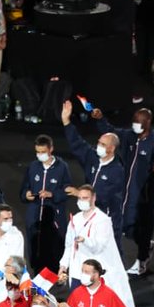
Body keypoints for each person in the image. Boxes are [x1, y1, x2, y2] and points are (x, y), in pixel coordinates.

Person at [90, 104, 154, 277]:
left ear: (147, 123)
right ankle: (146, 245)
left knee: (141, 228)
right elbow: (111, 133)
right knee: (125, 227)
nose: (135, 124)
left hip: (143, 197)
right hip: (124, 193)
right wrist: (100, 119)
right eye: (134, 121)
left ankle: (142, 261)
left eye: (139, 122)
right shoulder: (129, 136)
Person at [58, 186, 137, 307]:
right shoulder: (75, 219)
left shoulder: (102, 220)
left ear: (93, 198)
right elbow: (69, 245)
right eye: (79, 198)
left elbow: (98, 247)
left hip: (94, 273)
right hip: (77, 271)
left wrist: (85, 240)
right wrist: (63, 265)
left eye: (85, 198)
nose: (82, 201)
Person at [60, 100, 125, 247]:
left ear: (112, 149)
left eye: (103, 144)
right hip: (88, 215)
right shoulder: (93, 157)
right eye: (99, 142)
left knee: (108, 253)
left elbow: (107, 197)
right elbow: (77, 144)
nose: (98, 146)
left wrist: (81, 194)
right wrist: (66, 121)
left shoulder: (117, 171)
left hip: (107, 221)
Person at [19, 134, 71, 272]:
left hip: (53, 216)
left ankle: (54, 275)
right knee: (34, 247)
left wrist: (52, 194)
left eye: (43, 152)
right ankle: (36, 273)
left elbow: (68, 191)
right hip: (34, 215)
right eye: (38, 152)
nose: (40, 155)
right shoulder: (33, 166)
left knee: (53, 248)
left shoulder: (62, 167)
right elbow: (24, 188)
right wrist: (26, 194)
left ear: (51, 149)